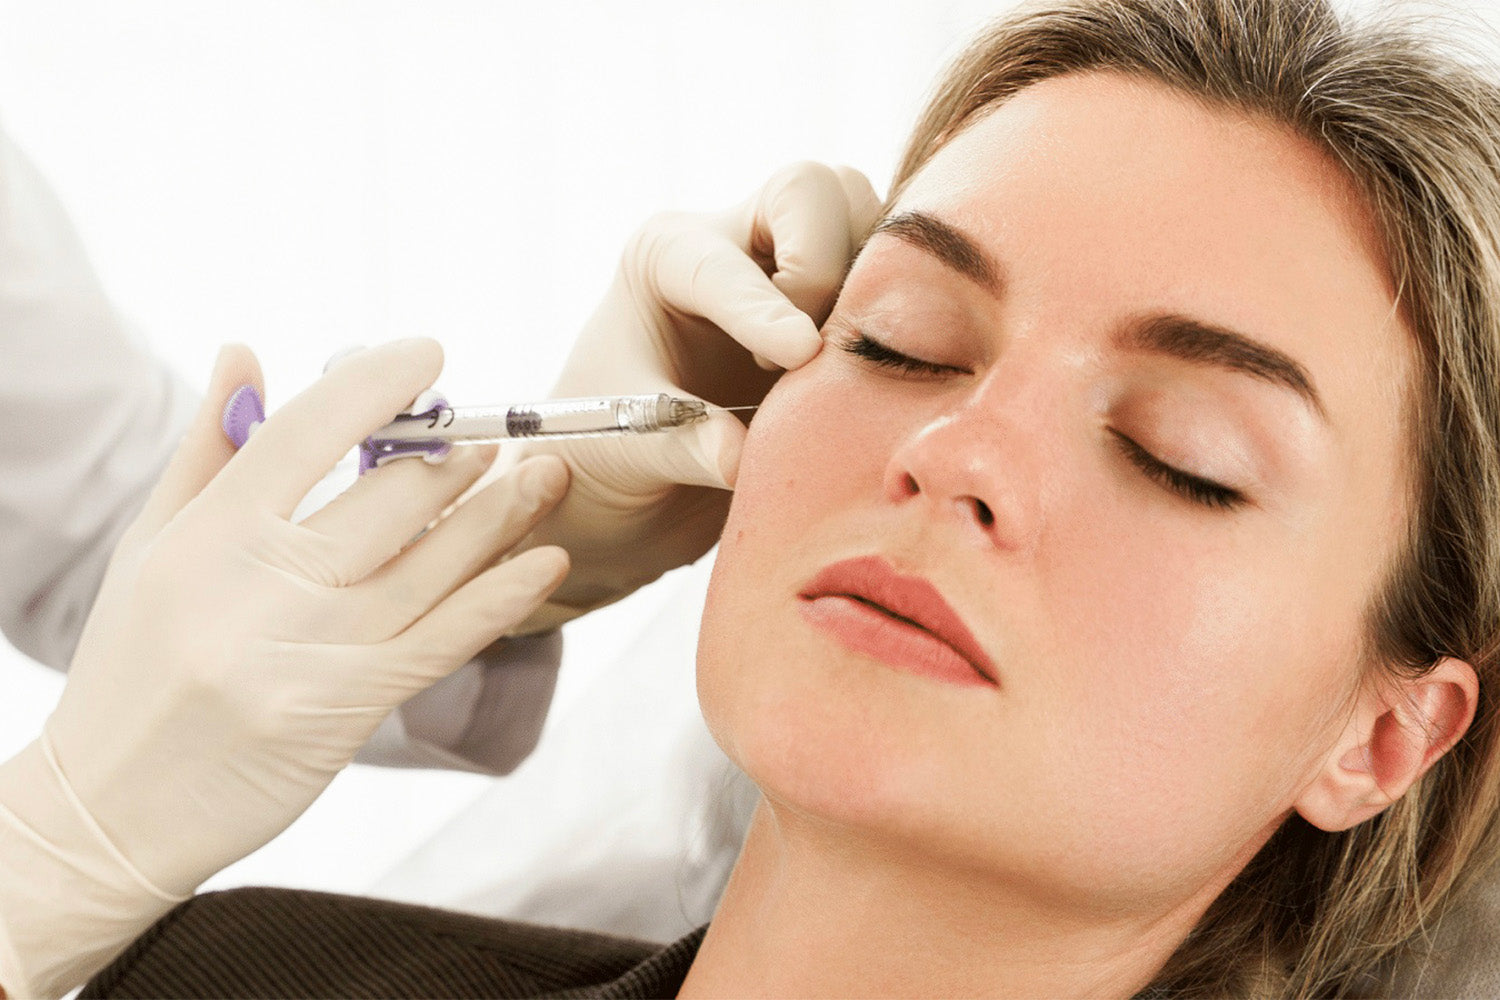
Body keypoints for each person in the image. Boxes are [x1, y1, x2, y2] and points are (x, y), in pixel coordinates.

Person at [58, 0, 1500, 995]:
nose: (956, 451)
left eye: (1185, 454)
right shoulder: (239, 972)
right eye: (898, 338)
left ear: (1382, 738)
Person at [0, 117, 881, 998]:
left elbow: (93, 519)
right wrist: (48, 857)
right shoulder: (221, 970)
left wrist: (535, 529)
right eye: (911, 345)